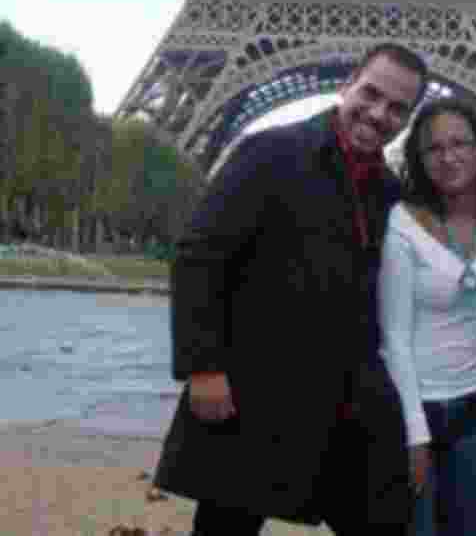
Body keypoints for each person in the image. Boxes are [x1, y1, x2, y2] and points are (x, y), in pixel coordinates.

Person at [153, 43, 428, 535]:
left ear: (406, 119)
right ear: (349, 84)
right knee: (226, 525)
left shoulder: (390, 192)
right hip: (254, 390)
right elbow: (200, 256)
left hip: (344, 404)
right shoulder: (270, 152)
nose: (378, 113)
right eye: (371, 94)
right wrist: (203, 367)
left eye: (396, 108)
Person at [379, 97, 476, 536]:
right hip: (414, 408)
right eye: (434, 148)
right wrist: (415, 434)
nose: (448, 157)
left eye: (460, 143)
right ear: (419, 160)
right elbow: (394, 336)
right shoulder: (401, 223)